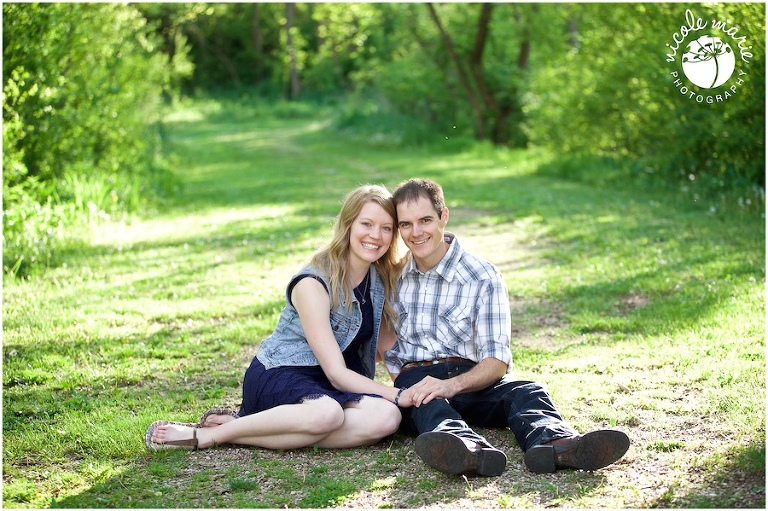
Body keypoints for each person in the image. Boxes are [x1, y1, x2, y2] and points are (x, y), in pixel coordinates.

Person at [379, 178, 629, 476]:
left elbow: (497, 361)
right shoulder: (392, 277)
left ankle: (556, 444)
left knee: (526, 390)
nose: (416, 232)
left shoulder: (482, 276)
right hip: (416, 383)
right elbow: (383, 344)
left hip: (470, 379)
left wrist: (450, 386)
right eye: (406, 224)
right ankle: (467, 450)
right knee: (427, 403)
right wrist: (406, 382)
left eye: (425, 220)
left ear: (444, 216)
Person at [146, 184, 415, 451]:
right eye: (366, 224)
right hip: (284, 373)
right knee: (328, 415)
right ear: (348, 226)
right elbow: (336, 373)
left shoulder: (379, 279)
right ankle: (211, 436)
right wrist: (395, 394)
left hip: (329, 387)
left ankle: (255, 428)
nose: (375, 235)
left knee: (387, 418)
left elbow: (388, 349)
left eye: (386, 228)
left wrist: (415, 391)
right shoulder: (313, 283)